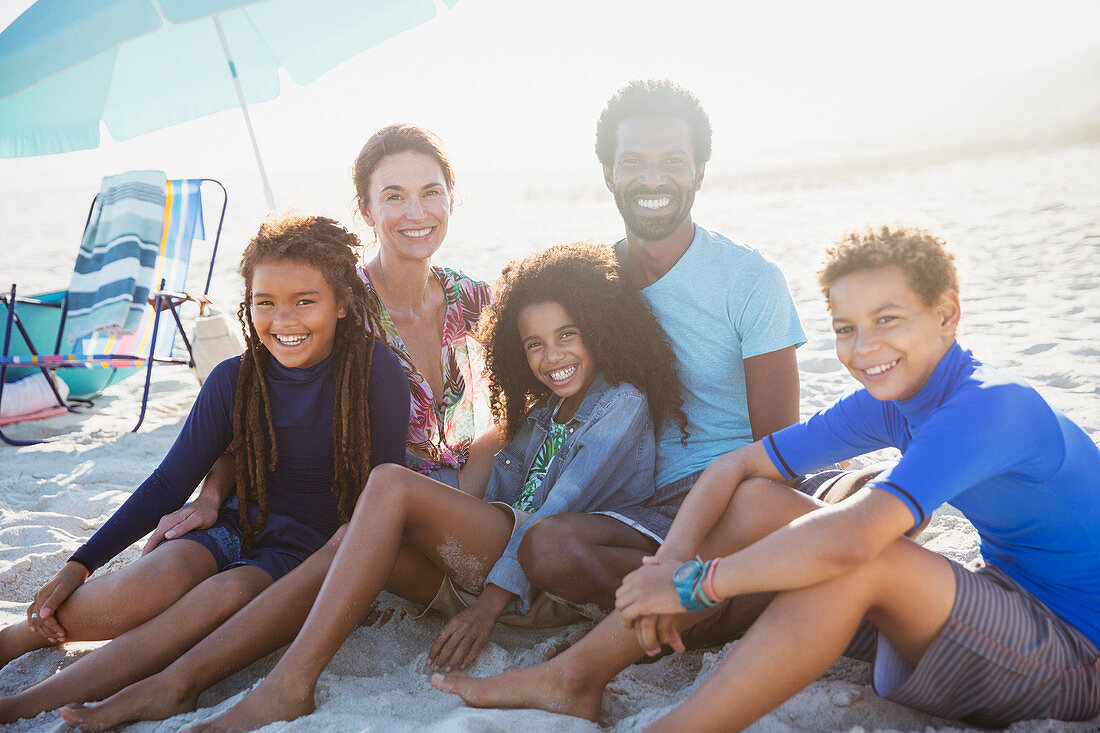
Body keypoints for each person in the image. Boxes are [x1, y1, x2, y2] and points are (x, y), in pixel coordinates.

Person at [433, 225, 1100, 730]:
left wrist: (696, 582)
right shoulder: (898, 398)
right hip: (996, 602)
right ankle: (578, 675)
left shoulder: (990, 405)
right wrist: (666, 566)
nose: (865, 348)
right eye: (845, 327)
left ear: (946, 315)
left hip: (1071, 652)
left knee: (856, 555)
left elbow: (850, 541)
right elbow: (739, 464)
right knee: (755, 500)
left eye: (887, 319)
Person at [65, 241, 689, 731]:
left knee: (388, 485)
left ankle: (290, 685)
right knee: (352, 536)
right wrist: (436, 506)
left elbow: (554, 515)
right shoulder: (548, 411)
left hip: (537, 590)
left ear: (601, 330)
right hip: (491, 567)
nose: (550, 356)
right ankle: (183, 680)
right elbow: (493, 487)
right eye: (533, 343)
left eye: (567, 336)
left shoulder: (621, 405)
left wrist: (486, 604)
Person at [0, 214, 411, 724]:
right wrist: (80, 563)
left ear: (343, 303)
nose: (283, 320)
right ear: (247, 303)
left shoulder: (377, 372)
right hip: (238, 524)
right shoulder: (234, 379)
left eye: (305, 301)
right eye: (265, 302)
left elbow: (386, 490)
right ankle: (16, 638)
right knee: (146, 584)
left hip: (307, 550)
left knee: (222, 594)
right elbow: (170, 483)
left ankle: (20, 707)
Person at [519, 79, 808, 612]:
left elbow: (780, 451)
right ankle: (720, 597)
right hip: (651, 506)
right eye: (633, 162)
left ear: (699, 171)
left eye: (673, 160)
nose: (653, 178)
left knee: (876, 501)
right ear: (609, 174)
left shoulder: (749, 277)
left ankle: (697, 597)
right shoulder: (593, 288)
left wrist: (719, 524)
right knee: (548, 549)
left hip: (746, 493)